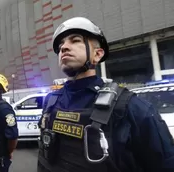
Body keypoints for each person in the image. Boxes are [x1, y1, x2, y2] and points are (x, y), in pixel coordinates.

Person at [37, 17, 174, 172]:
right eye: (61, 45)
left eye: (75, 40)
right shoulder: (51, 102)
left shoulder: (132, 108)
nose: (64, 48)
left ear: (98, 54)